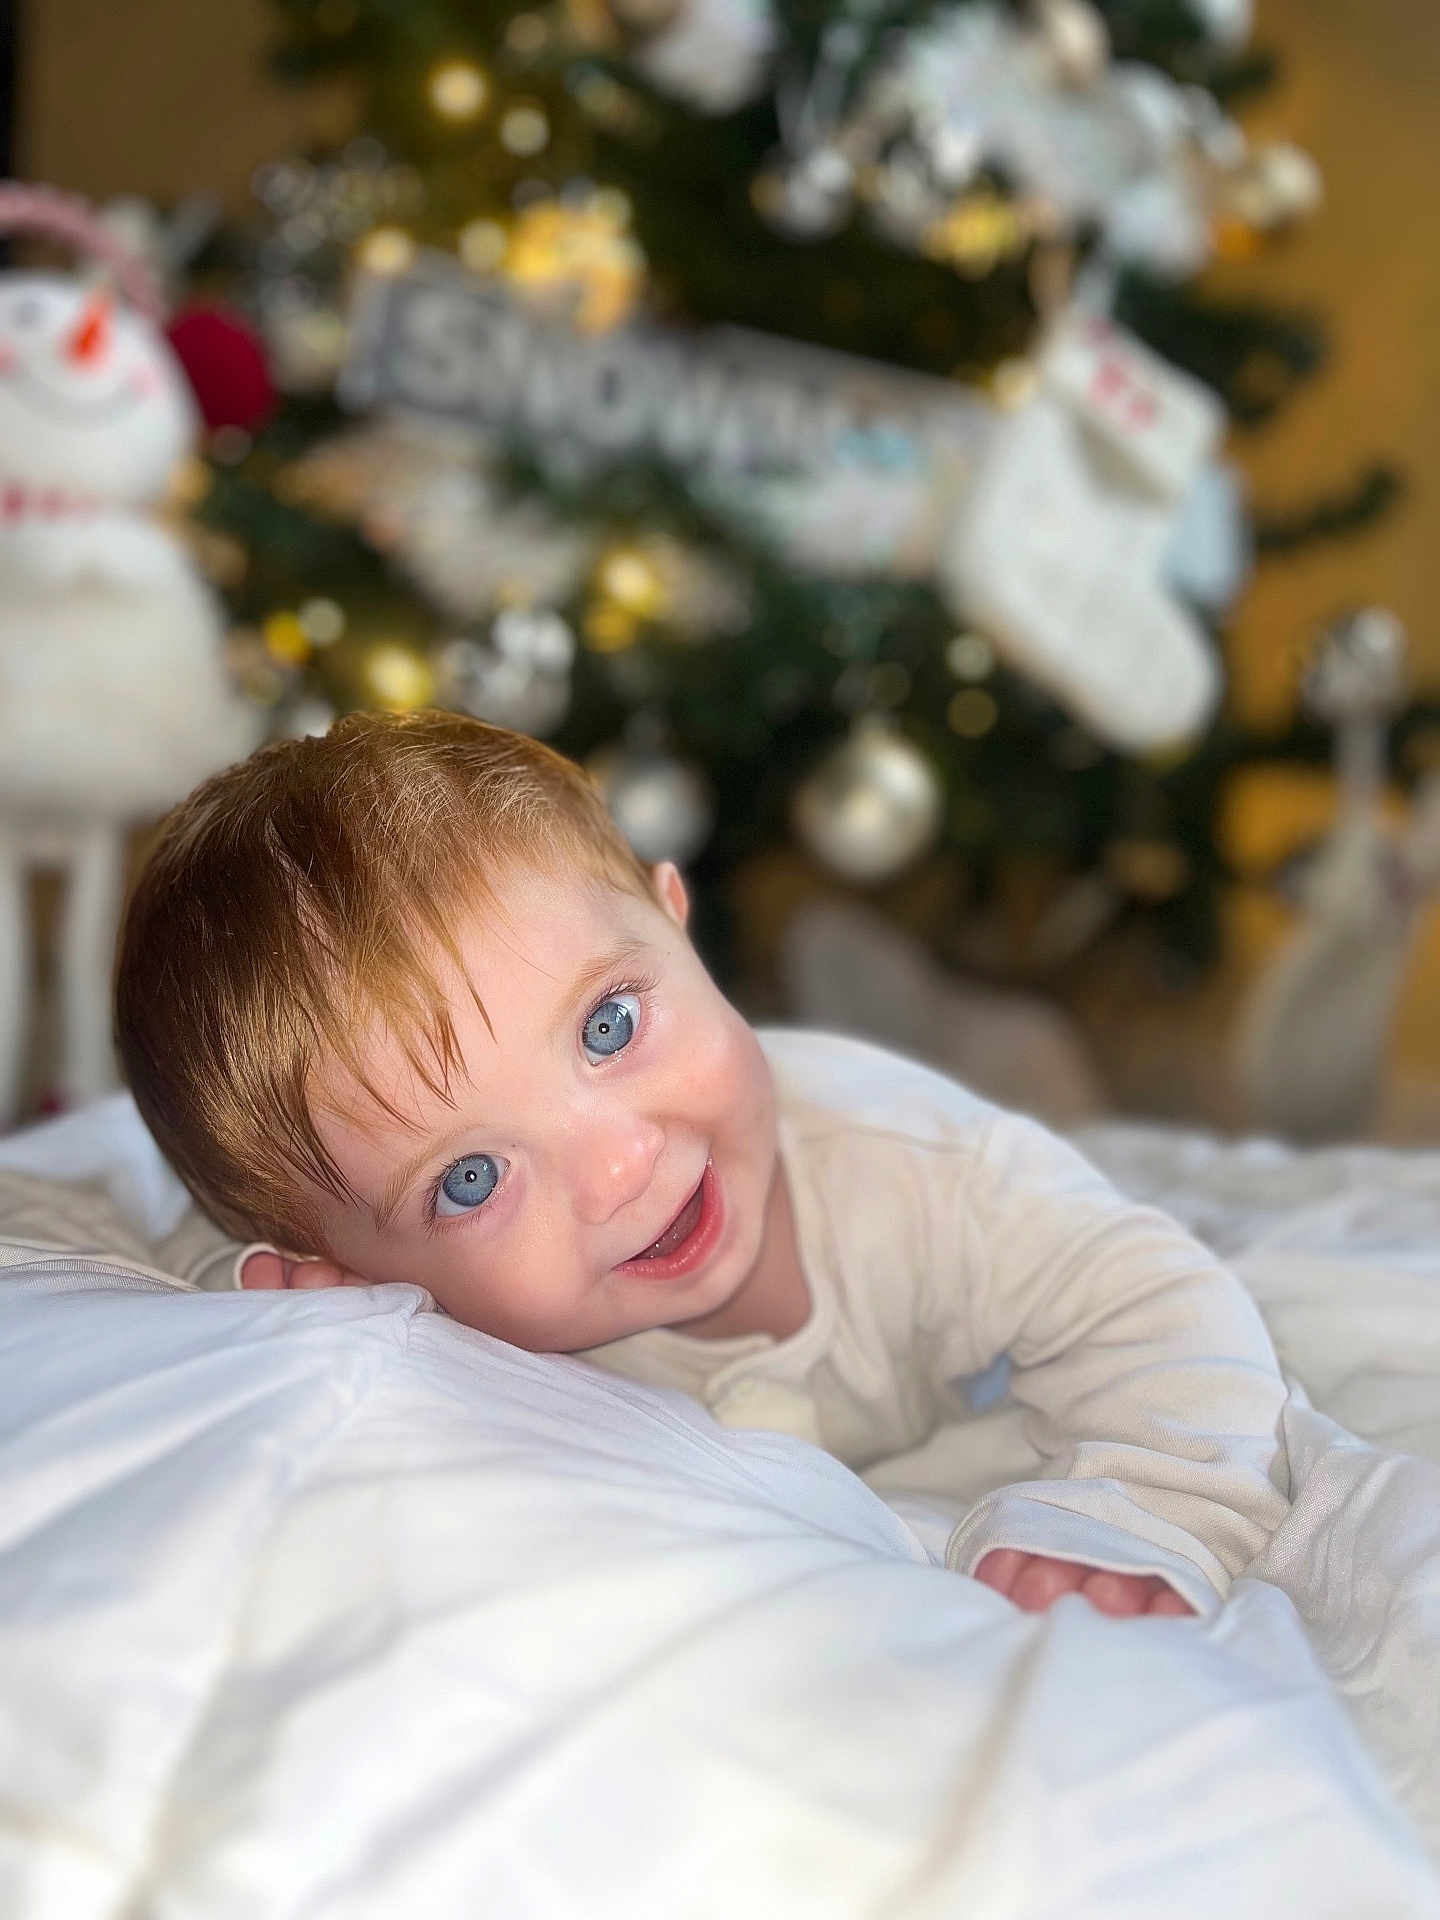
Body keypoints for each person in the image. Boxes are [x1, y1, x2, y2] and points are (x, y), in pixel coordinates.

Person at [114, 710, 1290, 1619]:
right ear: (355, 1261)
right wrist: (314, 1319)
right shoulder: (441, 1310)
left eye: (610, 1027)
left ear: (677, 923)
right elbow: (215, 1299)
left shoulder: (914, 1174)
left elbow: (1158, 1298)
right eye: (471, 1178)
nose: (622, 1166)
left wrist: (1147, 1510)